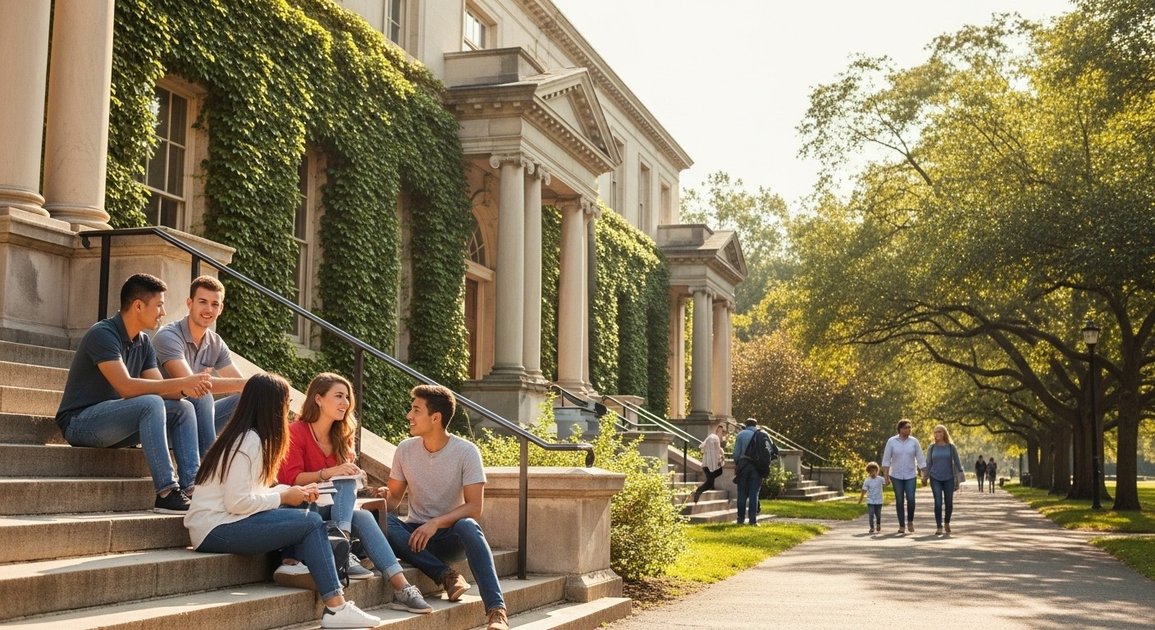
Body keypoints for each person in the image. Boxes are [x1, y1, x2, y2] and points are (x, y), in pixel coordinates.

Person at [183, 373, 380, 629]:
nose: (289, 409)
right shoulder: (248, 441)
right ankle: (335, 606)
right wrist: (284, 495)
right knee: (311, 522)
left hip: (228, 521)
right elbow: (237, 502)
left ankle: (301, 568)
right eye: (286, 402)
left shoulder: (251, 437)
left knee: (306, 508)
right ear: (271, 405)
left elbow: (253, 492)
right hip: (214, 529)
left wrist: (292, 491)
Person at [275, 372, 431, 613]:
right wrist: (330, 472)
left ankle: (402, 587)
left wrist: (359, 480)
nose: (345, 403)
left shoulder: (341, 436)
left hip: (330, 513)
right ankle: (343, 549)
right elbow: (290, 480)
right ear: (318, 399)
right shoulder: (296, 431)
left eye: (347, 397)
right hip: (301, 509)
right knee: (345, 483)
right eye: (338, 396)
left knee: (362, 511)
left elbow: (344, 487)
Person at [55, 273, 211, 514]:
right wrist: (182, 381)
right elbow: (126, 387)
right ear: (138, 305)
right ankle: (167, 492)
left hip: (115, 424)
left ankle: (192, 487)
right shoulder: (103, 334)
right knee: (150, 403)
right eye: (159, 304)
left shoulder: (144, 343)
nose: (163, 312)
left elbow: (160, 388)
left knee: (183, 408)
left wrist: (185, 389)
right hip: (80, 423)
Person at [380, 384, 509, 630]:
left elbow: (474, 508)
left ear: (435, 417)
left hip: (450, 535)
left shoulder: (466, 452)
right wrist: (380, 496)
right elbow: (393, 500)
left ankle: (496, 611)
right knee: (382, 522)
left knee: (469, 525)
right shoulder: (405, 449)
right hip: (415, 536)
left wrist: (436, 523)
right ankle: (446, 576)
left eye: (416, 410)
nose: (409, 415)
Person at [153, 275, 248, 457]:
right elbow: (191, 385)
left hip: (199, 421)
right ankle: (209, 464)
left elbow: (240, 383)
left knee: (246, 399)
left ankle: (251, 462)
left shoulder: (215, 342)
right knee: (201, 394)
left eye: (214, 304)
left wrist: (259, 388)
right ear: (189, 303)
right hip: (168, 419)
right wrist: (246, 384)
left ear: (221, 308)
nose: (208, 309)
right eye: (202, 302)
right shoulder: (168, 336)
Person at [881, 419, 926, 534]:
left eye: (910, 428)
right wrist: (886, 476)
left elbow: (920, 458)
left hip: (910, 474)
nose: (908, 430)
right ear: (900, 429)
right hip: (896, 475)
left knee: (911, 499)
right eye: (906, 427)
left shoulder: (914, 442)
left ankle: (910, 521)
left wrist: (924, 474)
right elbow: (886, 460)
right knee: (899, 500)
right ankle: (901, 525)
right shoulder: (892, 441)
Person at [924, 425, 965, 535]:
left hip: (949, 478)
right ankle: (939, 526)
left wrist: (960, 477)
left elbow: (957, 462)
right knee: (938, 502)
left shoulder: (951, 447)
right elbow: (928, 463)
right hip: (935, 478)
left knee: (949, 503)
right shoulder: (931, 448)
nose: (937, 434)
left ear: (944, 433)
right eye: (936, 432)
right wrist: (925, 476)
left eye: (940, 432)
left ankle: (947, 522)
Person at [732, 418, 767, 526]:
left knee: (742, 493)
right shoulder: (762, 434)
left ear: (746, 425)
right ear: (756, 425)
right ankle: (753, 520)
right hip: (757, 467)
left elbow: (736, 454)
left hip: (743, 465)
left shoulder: (741, 435)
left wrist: (738, 463)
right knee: (754, 493)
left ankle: (740, 519)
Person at [692, 424, 727, 503]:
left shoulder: (711, 437)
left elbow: (702, 448)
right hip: (709, 465)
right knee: (710, 482)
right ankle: (698, 490)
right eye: (722, 432)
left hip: (706, 465)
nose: (722, 436)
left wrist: (720, 454)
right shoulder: (715, 438)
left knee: (712, 480)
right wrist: (718, 460)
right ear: (718, 431)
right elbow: (713, 452)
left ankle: (699, 490)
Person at [858, 461, 885, 534]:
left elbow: (887, 483)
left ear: (877, 471)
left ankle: (878, 524)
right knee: (871, 514)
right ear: (868, 472)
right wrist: (861, 499)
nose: (872, 473)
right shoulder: (867, 480)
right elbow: (864, 490)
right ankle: (872, 527)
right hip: (870, 500)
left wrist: (887, 475)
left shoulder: (880, 479)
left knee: (878, 514)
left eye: (873, 471)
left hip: (879, 500)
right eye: (870, 471)